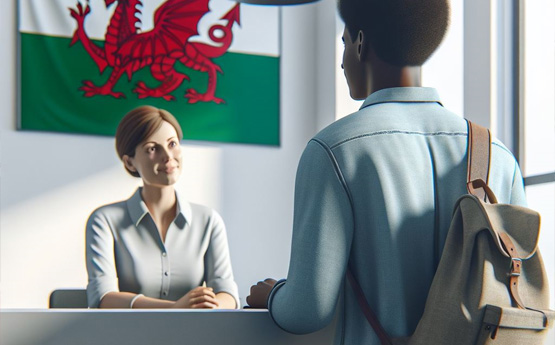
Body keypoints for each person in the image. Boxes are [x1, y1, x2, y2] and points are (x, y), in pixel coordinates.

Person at [247, 0, 526, 343]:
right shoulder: (496, 153)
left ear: (361, 43)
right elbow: (518, 294)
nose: (342, 59)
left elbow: (307, 310)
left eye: (345, 43)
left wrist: (273, 295)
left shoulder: (333, 149)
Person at [86, 105, 239, 309]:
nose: (168, 156)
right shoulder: (104, 221)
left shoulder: (209, 221)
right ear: (129, 162)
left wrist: (209, 306)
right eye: (152, 148)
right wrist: (176, 309)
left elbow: (227, 294)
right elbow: (103, 298)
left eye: (172, 144)